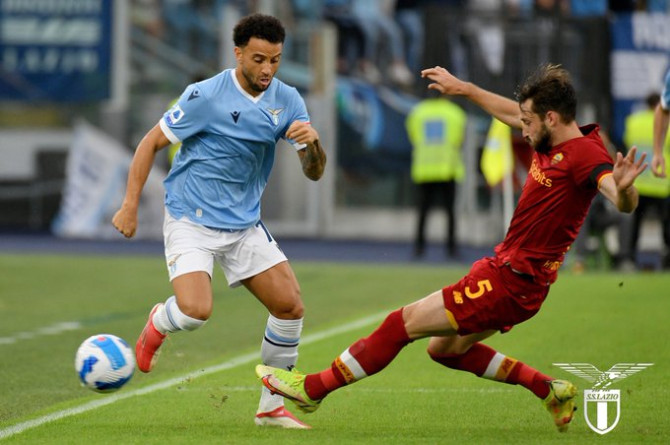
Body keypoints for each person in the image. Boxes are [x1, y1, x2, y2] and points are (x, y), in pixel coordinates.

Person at [255, 64, 646, 432]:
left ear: (551, 119)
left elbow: (617, 196)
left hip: (511, 282)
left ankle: (313, 389)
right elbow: (510, 113)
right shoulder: (550, 135)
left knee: (400, 323)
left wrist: (627, 190)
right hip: (515, 279)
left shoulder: (585, 155)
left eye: (528, 122)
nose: (522, 128)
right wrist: (465, 89)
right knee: (444, 350)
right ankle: (549, 389)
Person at [112, 13, 326, 429]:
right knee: (195, 312)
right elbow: (150, 143)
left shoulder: (288, 101)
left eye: (275, 60)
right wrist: (130, 205)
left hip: (243, 225)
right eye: (259, 59)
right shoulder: (205, 96)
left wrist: (314, 144)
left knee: (290, 307)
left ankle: (271, 408)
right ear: (238, 54)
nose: (267, 69)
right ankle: (159, 321)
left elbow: (314, 172)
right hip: (190, 218)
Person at [405, 97, 467, 258]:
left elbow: (413, 137)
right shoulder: (455, 113)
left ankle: (419, 248)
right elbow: (459, 139)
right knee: (450, 212)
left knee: (423, 211)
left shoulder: (418, 112)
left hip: (424, 168)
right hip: (447, 168)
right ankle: (451, 249)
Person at [619, 92, 670, 270]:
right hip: (661, 183)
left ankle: (629, 258)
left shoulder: (633, 121)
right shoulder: (666, 123)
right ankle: (668, 260)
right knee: (667, 226)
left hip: (639, 182)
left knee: (635, 225)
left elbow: (627, 142)